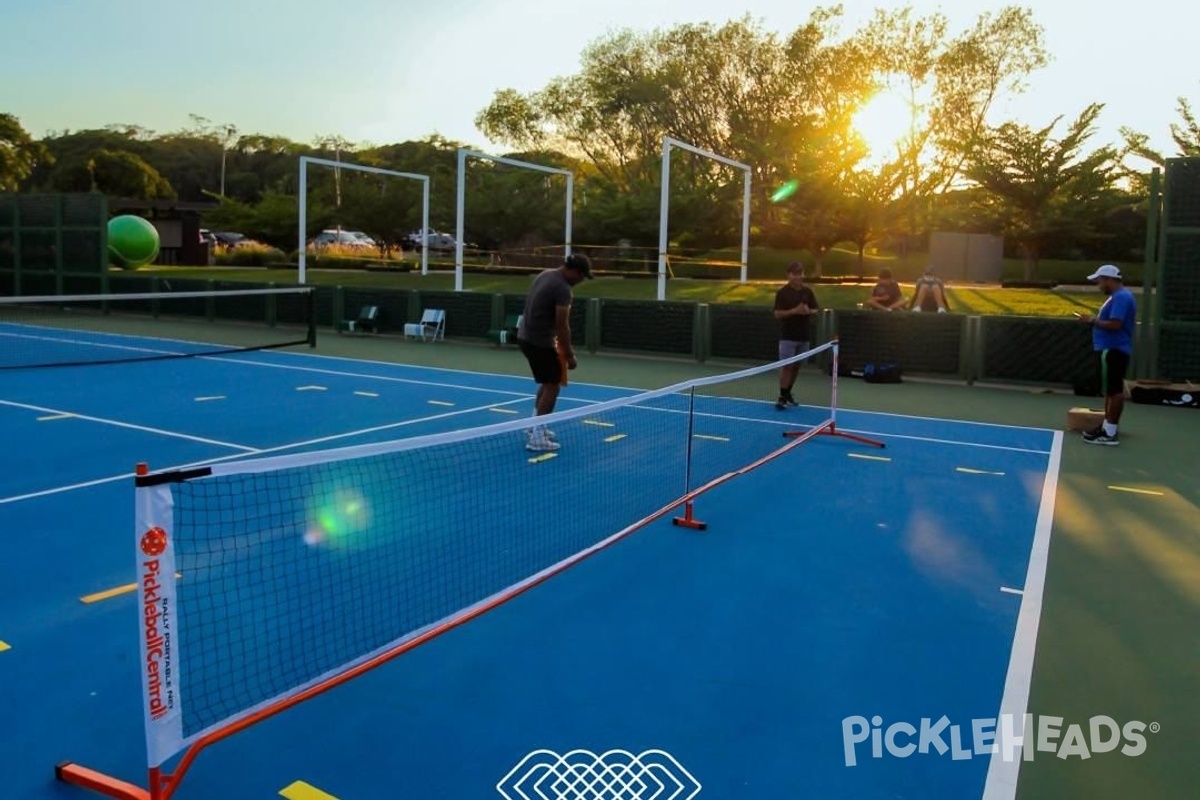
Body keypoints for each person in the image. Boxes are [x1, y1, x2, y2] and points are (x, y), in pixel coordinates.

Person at [516, 253, 592, 451]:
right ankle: (537, 437)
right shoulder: (562, 289)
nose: (581, 281)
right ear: (574, 271)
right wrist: (569, 354)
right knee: (553, 386)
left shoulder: (545, 274)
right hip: (539, 342)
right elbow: (562, 325)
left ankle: (534, 426)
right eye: (582, 276)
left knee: (547, 382)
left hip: (526, 337)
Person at [1076, 264, 1137, 446]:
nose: (1098, 285)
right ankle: (1107, 428)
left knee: (1114, 391)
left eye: (1100, 281)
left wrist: (1092, 320)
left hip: (1113, 349)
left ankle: (1110, 433)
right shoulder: (1118, 297)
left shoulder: (1121, 298)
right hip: (1112, 349)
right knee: (1111, 391)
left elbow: (1115, 324)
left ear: (1109, 280)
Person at [773, 262, 820, 410]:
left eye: (800, 274)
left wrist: (808, 311)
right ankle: (781, 396)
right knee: (786, 366)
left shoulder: (808, 292)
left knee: (796, 366)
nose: (797, 277)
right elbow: (777, 314)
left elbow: (816, 309)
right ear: (789, 275)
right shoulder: (782, 293)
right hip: (788, 336)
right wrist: (795, 311)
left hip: (803, 336)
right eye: (794, 274)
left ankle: (787, 393)